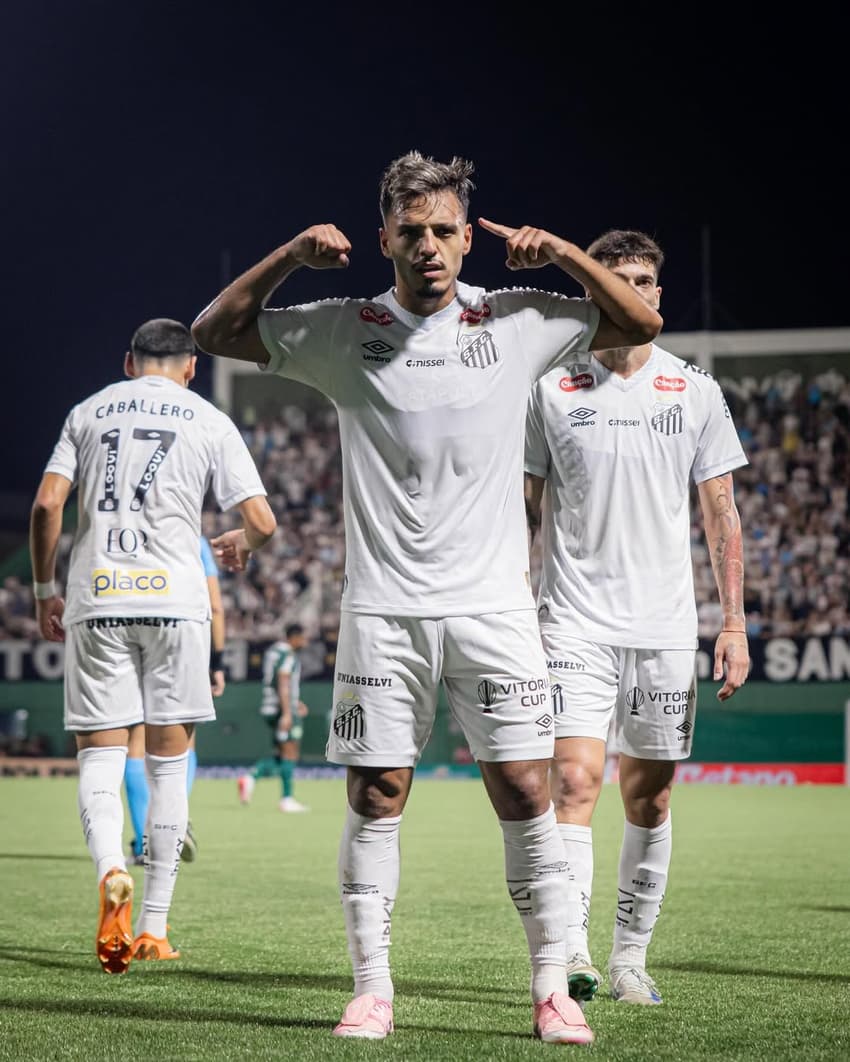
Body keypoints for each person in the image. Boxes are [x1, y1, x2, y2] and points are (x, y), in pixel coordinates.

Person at [191, 149, 662, 1044]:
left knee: (527, 792)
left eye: (446, 229)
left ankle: (551, 987)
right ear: (384, 240)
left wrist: (559, 250)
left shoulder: (517, 317)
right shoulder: (343, 327)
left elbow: (641, 316)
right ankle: (372, 989)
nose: (432, 246)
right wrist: (292, 252)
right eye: (413, 232)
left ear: (464, 235)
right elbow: (214, 332)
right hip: (383, 610)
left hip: (495, 608)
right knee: (377, 795)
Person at [524, 229, 750, 1007]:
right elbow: (523, 512)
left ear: (658, 294)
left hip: (662, 629)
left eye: (646, 279)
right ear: (594, 291)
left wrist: (734, 624)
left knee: (648, 799)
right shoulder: (551, 389)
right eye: (617, 278)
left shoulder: (694, 390)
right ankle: (573, 953)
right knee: (576, 782)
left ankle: (630, 958)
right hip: (572, 624)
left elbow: (723, 515)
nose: (634, 290)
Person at [29, 318, 276, 973]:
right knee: (168, 769)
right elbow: (261, 521)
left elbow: (47, 507)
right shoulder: (207, 417)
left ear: (129, 362)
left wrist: (42, 590)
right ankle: (155, 927)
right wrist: (240, 546)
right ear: (191, 368)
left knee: (101, 763)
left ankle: (113, 867)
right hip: (175, 605)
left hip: (98, 599)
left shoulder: (88, 411)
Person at [124, 533, 226, 865]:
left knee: (136, 741)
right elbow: (215, 606)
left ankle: (143, 843)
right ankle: (173, 825)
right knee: (184, 739)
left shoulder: (130, 527)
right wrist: (218, 662)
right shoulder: (193, 538)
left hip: (129, 630)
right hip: (183, 633)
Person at [238, 622, 310, 812]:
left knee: (281, 753)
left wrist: (295, 702)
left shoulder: (273, 652)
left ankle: (251, 778)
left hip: (271, 706)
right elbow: (283, 680)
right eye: (303, 637)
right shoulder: (287, 655)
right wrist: (287, 712)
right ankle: (286, 798)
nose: (305, 641)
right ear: (293, 637)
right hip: (280, 709)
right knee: (290, 752)